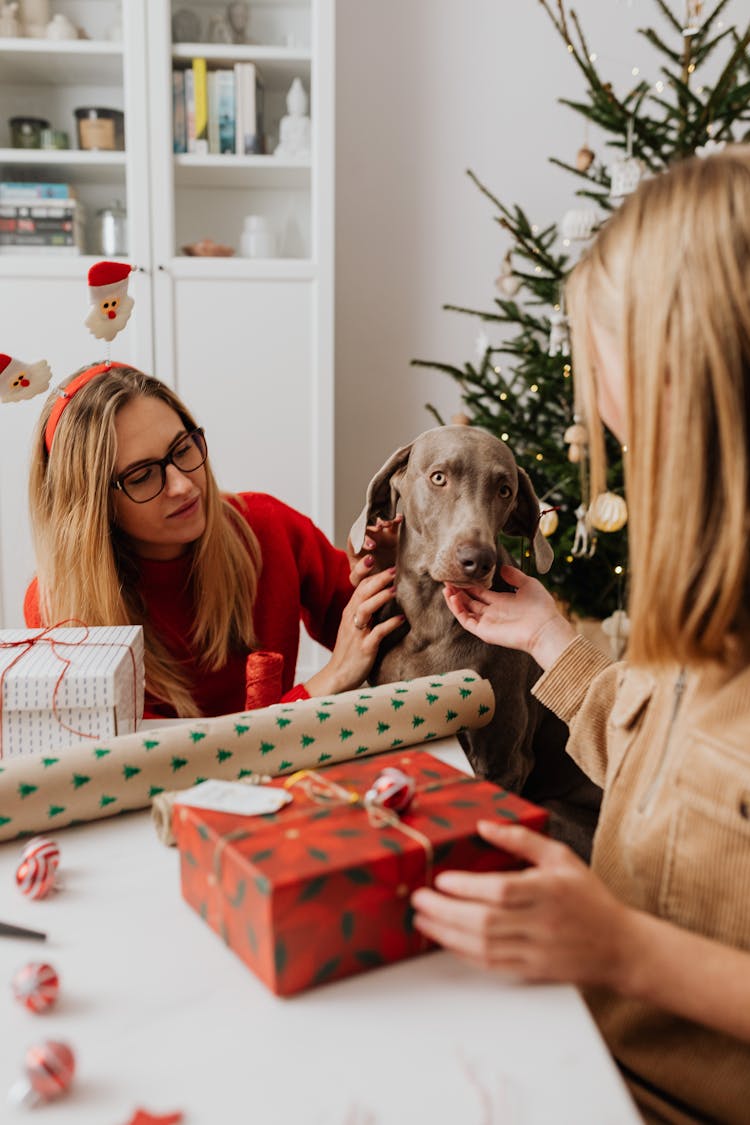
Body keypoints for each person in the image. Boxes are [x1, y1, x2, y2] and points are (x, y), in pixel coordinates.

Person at [411, 147, 750, 1124]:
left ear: (688, 373)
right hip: (579, 1043)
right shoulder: (704, 601)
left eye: (602, 352)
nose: (592, 391)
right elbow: (670, 762)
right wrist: (555, 639)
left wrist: (624, 950)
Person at [25, 363, 403, 718]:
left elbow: (387, 629)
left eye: (183, 449)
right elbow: (147, 763)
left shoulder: (266, 526)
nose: (183, 485)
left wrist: (398, 576)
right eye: (142, 476)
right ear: (92, 506)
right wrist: (326, 682)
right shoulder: (58, 608)